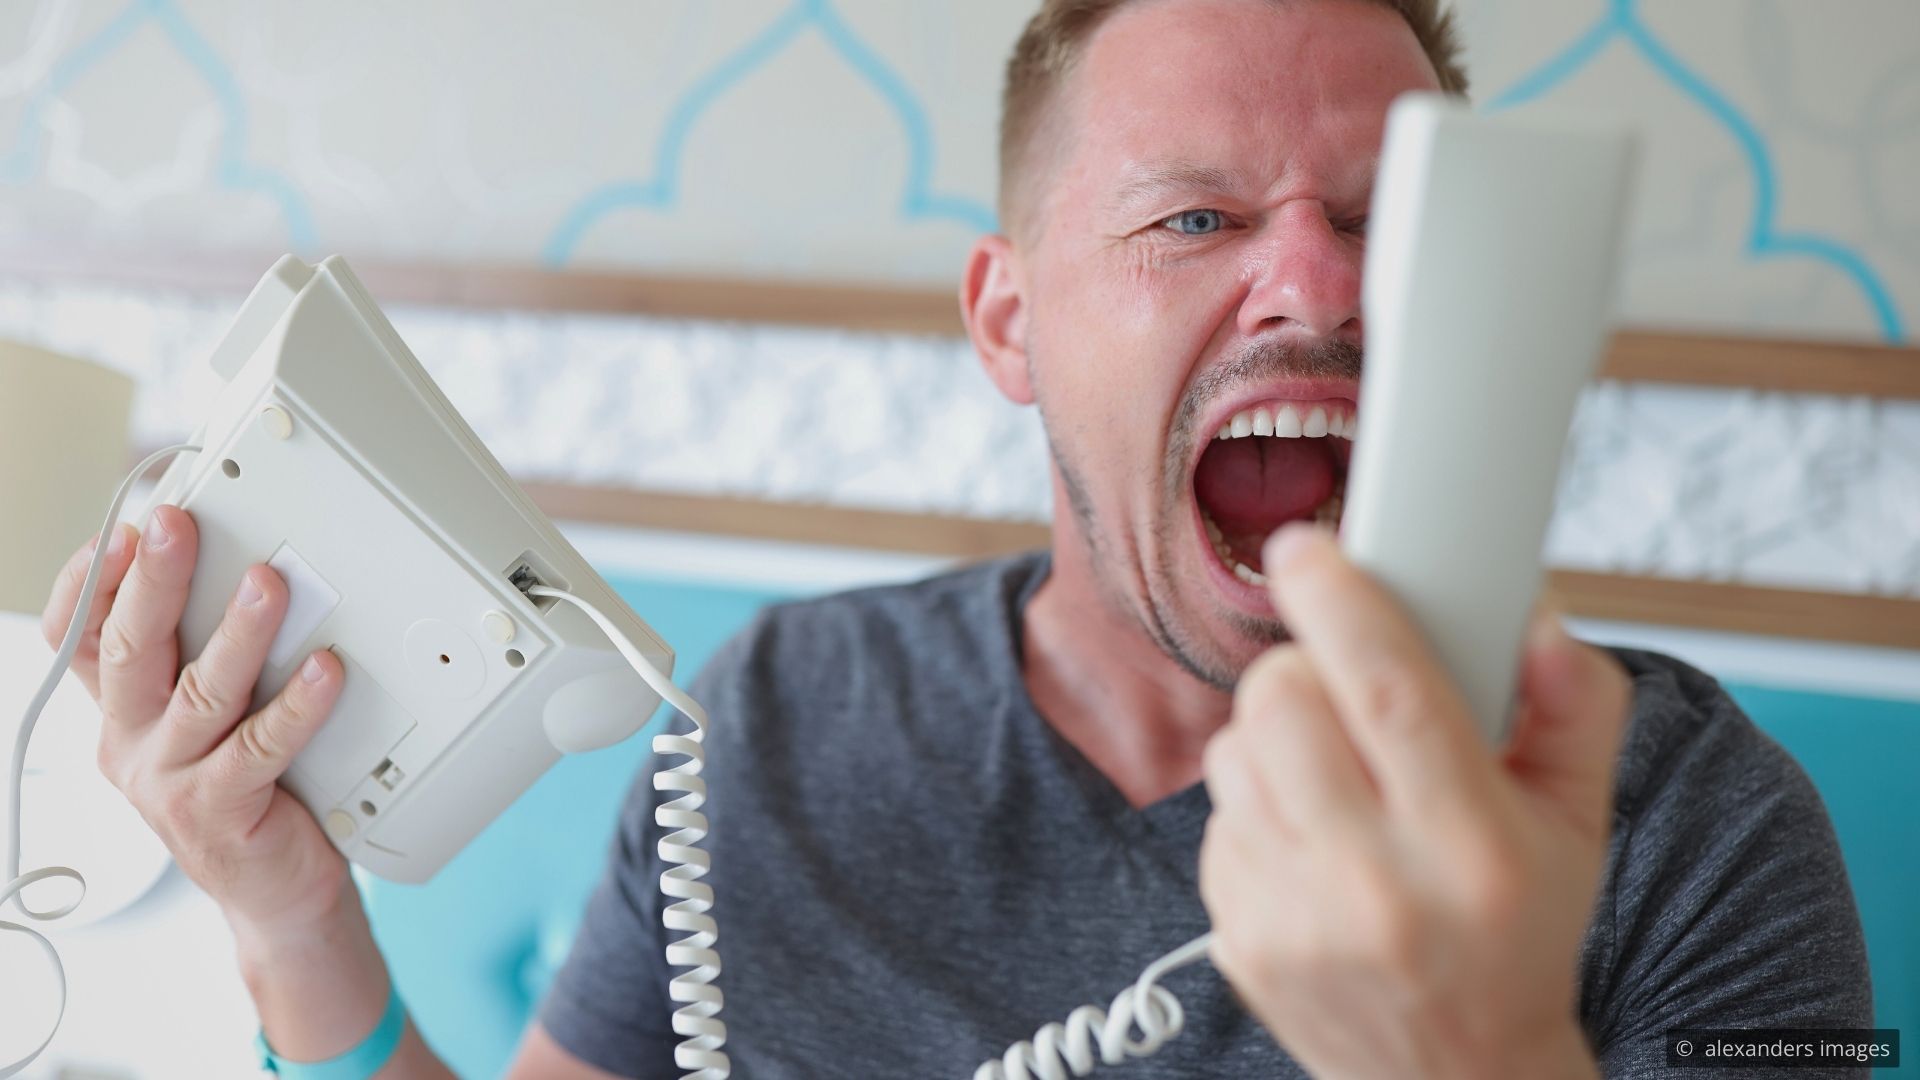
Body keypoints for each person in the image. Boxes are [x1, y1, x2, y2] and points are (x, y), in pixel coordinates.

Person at [39, 0, 1871, 1076]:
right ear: (1007, 322)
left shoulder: (1690, 819)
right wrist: (289, 907)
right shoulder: (775, 720)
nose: (1316, 281)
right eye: (1196, 220)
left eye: (1390, 225)